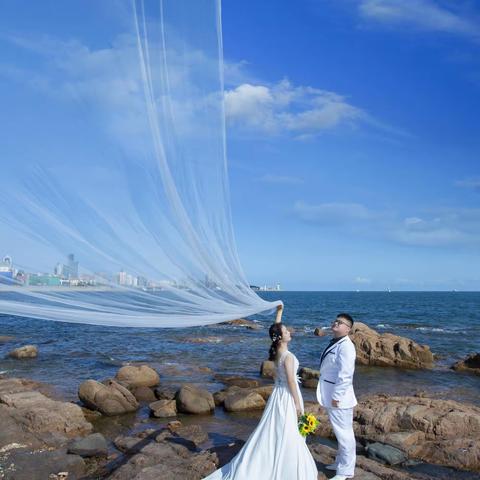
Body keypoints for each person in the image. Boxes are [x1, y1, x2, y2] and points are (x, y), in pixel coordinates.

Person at [204, 306, 317, 479]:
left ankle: (270, 457)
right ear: (280, 338)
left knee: (275, 429)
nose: (290, 332)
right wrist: (297, 405)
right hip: (287, 396)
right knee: (288, 431)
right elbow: (293, 382)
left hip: (277, 395)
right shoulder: (288, 356)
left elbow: (275, 330)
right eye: (286, 331)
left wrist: (280, 313)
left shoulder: (278, 352)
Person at [316, 313, 357, 480]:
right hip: (331, 394)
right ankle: (340, 463)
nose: (335, 323)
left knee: (345, 434)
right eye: (335, 320)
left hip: (339, 398)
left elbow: (346, 374)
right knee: (340, 432)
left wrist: (337, 396)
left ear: (347, 329)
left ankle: (345, 471)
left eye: (340, 323)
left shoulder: (346, 346)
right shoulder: (337, 342)